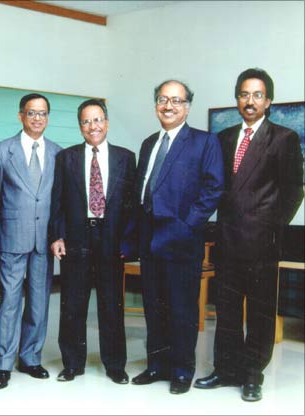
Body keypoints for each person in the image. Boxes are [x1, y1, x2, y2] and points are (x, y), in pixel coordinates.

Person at [194, 68, 304, 402]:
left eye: (257, 95)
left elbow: (294, 191)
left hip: (262, 242)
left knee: (259, 311)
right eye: (244, 94)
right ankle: (226, 370)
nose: (250, 101)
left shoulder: (283, 138)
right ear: (237, 99)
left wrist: (272, 226)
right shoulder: (224, 138)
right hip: (227, 240)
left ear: (268, 101)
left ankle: (253, 374)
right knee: (226, 308)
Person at [130, 80, 224, 395]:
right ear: (155, 104)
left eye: (175, 100)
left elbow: (213, 188)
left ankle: (182, 371)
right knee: (154, 307)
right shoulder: (148, 144)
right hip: (150, 240)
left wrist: (188, 225)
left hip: (182, 239)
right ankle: (157, 366)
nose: (168, 106)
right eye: (162, 99)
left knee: (182, 309)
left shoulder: (203, 142)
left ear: (187, 106)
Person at [50, 99, 136, 385]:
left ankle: (115, 366)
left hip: (111, 240)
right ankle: (72, 364)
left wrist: (127, 242)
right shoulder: (66, 158)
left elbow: (131, 206)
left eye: (97, 120)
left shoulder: (126, 157)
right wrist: (57, 236)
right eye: (86, 121)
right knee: (73, 304)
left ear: (107, 123)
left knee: (112, 305)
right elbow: (57, 202)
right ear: (80, 126)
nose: (93, 126)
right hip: (77, 237)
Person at [0, 93, 62, 389]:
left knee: (38, 303)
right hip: (12, 239)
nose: (37, 119)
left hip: (44, 241)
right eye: (31, 113)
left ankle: (30, 358)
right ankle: (3, 363)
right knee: (9, 303)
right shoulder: (1, 151)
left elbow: (59, 202)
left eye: (42, 113)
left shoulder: (59, 153)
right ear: (21, 116)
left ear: (48, 117)